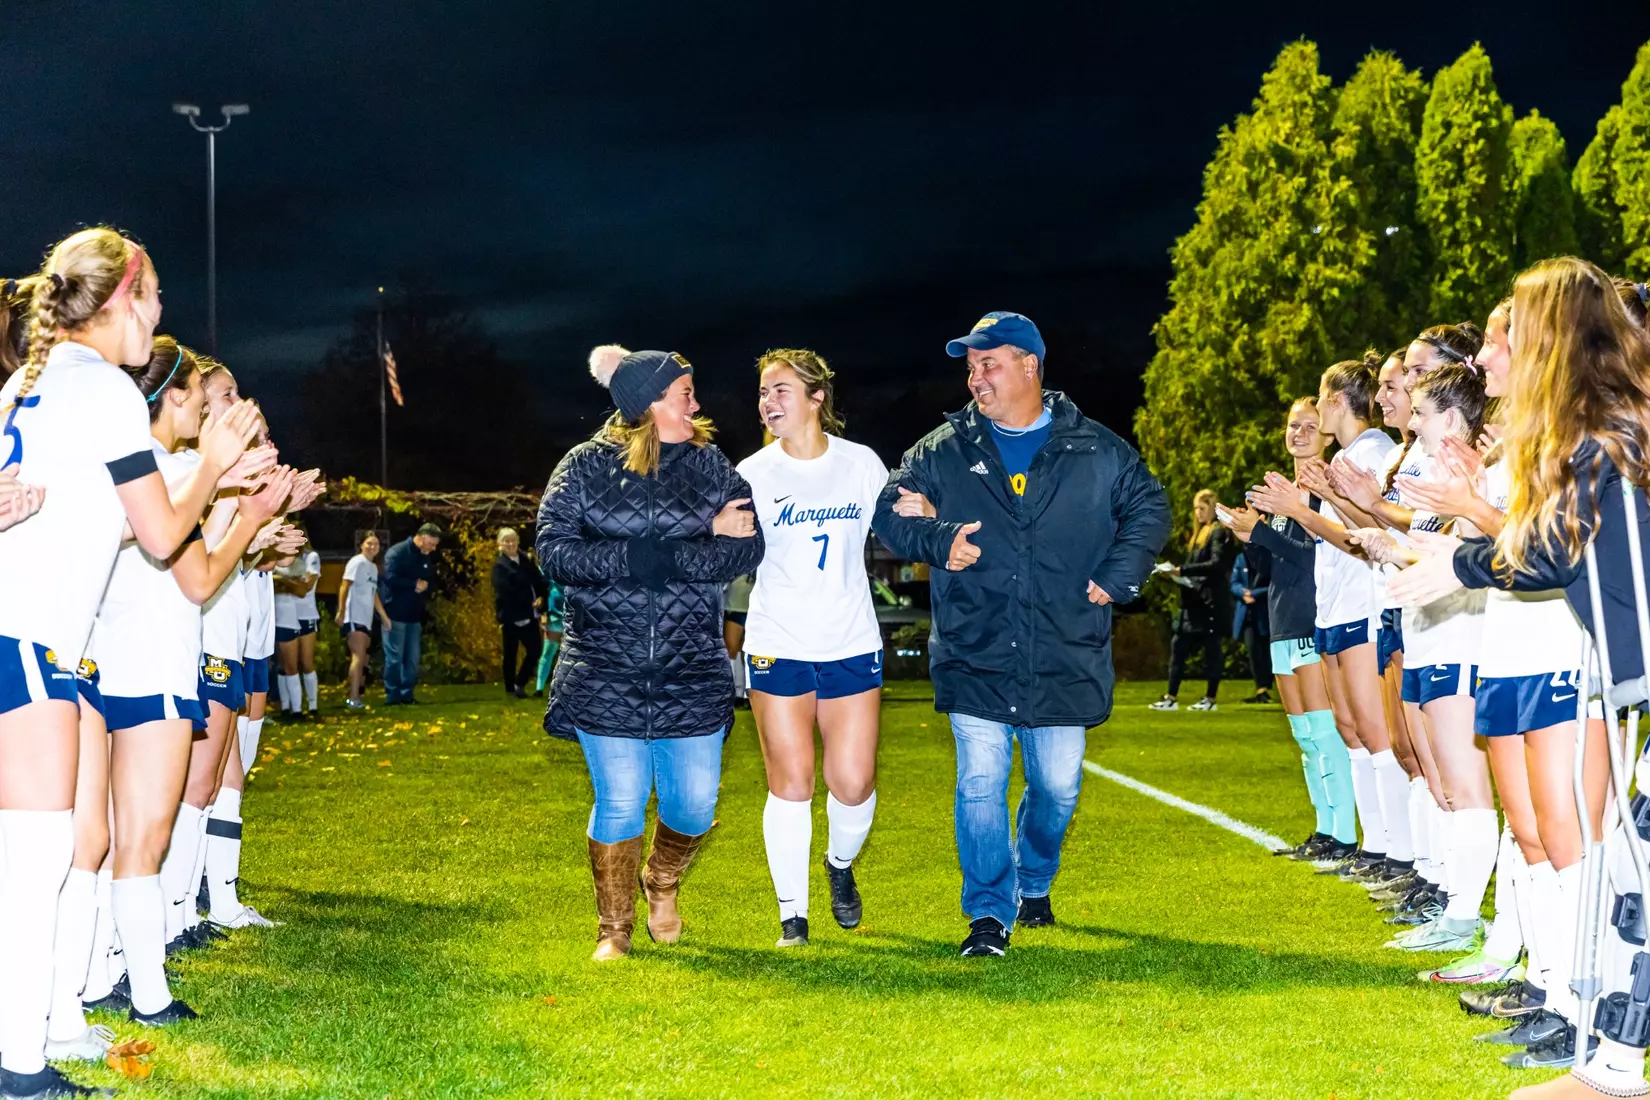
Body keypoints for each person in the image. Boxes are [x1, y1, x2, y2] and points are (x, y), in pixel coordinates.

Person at [0, 229, 262, 1097]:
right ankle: (21, 1063)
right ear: (123, 297)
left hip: (22, 635)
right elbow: (160, 536)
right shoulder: (109, 390)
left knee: (51, 855)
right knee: (37, 861)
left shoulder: (25, 381)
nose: (159, 317)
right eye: (153, 299)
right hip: (32, 642)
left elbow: (88, 522)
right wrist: (213, 469)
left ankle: (42, 1033)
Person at [1392, 261, 1650, 1089]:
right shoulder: (1598, 428)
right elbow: (1547, 550)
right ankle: (1610, 1062)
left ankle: (1607, 1061)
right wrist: (1466, 559)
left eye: (1513, 334)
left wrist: (1462, 561)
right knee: (1628, 870)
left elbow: (1549, 548)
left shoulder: (1610, 432)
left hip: (1616, 679)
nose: (1495, 352)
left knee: (1622, 866)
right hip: (1626, 682)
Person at [872, 311, 1170, 957]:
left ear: (1030, 366)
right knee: (980, 781)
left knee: (1058, 787)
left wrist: (1119, 575)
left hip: (1064, 646)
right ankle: (986, 914)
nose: (976, 378)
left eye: (990, 363)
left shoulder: (1095, 447)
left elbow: (1150, 506)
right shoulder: (941, 449)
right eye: (971, 366)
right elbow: (889, 514)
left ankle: (1033, 881)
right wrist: (939, 539)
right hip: (976, 645)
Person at [537, 346, 764, 962]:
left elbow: (748, 547)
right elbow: (554, 553)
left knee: (693, 804)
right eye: (684, 392)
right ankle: (613, 930)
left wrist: (664, 555)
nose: (696, 403)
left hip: (692, 668)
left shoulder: (711, 464)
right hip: (602, 666)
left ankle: (661, 880)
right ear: (649, 403)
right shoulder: (582, 467)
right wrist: (666, 551)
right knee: (621, 797)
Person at [736, 348, 888, 948]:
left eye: (780, 391)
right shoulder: (750, 473)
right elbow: (724, 544)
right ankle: (792, 918)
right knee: (792, 782)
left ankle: (840, 866)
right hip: (778, 641)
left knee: (851, 782)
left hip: (850, 639)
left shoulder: (861, 465)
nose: (768, 402)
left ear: (816, 397)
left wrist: (927, 517)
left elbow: (900, 526)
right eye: (763, 393)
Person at [1223, 398, 1356, 863]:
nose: (1298, 432)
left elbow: (1315, 557)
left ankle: (1344, 836)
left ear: (1327, 434)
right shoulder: (1283, 492)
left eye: (1309, 425)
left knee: (1325, 732)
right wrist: (1249, 535)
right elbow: (1275, 563)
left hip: (1312, 620)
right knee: (1304, 736)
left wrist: (1260, 531)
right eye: (1292, 425)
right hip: (1280, 621)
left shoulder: (1326, 492)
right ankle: (1323, 830)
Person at [1150, 489, 1235, 712]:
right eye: (1196, 508)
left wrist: (1183, 570)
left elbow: (1216, 565)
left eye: (1202, 508)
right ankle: (1171, 696)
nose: (1198, 513)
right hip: (1193, 601)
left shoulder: (1216, 533)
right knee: (1179, 647)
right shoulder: (1198, 535)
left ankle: (1210, 698)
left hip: (1209, 603)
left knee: (1211, 650)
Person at [380, 522, 442, 705]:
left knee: (412, 658)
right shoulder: (397, 553)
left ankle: (407, 694)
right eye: (432, 544)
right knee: (395, 657)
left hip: (414, 615)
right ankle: (393, 695)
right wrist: (413, 584)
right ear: (422, 538)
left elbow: (430, 579)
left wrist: (426, 586)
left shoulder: (424, 556)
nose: (433, 548)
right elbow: (389, 577)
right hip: (395, 613)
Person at [337, 533, 391, 709]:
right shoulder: (357, 562)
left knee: (363, 658)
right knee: (358, 656)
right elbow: (345, 585)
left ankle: (356, 693)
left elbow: (373, 593)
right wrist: (341, 610)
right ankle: (353, 698)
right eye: (369, 543)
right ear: (361, 545)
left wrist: (383, 616)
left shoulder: (373, 568)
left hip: (366, 618)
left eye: (375, 544)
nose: (372, 547)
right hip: (354, 616)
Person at [493, 527, 547, 699]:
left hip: (530, 614)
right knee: (510, 653)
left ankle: (520, 682)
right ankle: (510, 689)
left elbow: (538, 580)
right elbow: (503, 591)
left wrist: (541, 597)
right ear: (499, 544)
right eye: (506, 541)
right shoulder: (499, 566)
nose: (510, 544)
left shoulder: (526, 560)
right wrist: (526, 599)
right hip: (510, 616)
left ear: (518, 541)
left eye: (513, 540)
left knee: (535, 650)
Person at [272, 534, 321, 718]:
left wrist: (281, 580)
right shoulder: (276, 558)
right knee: (286, 665)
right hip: (285, 615)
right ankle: (289, 707)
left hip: (306, 614)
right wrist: (289, 582)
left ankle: (312, 706)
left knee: (306, 663)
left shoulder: (310, 557)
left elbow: (304, 588)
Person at [1230, 544, 1272, 704]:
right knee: (1253, 650)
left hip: (1264, 613)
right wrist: (1243, 592)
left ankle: (1266, 687)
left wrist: (1254, 593)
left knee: (1266, 652)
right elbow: (1233, 583)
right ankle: (1261, 688)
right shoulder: (1240, 559)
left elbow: (1273, 585)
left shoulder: (1267, 558)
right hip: (1247, 615)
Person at [723, 573, 754, 704]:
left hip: (754, 605)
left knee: (748, 651)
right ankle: (735, 693)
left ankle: (745, 694)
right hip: (735, 604)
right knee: (731, 650)